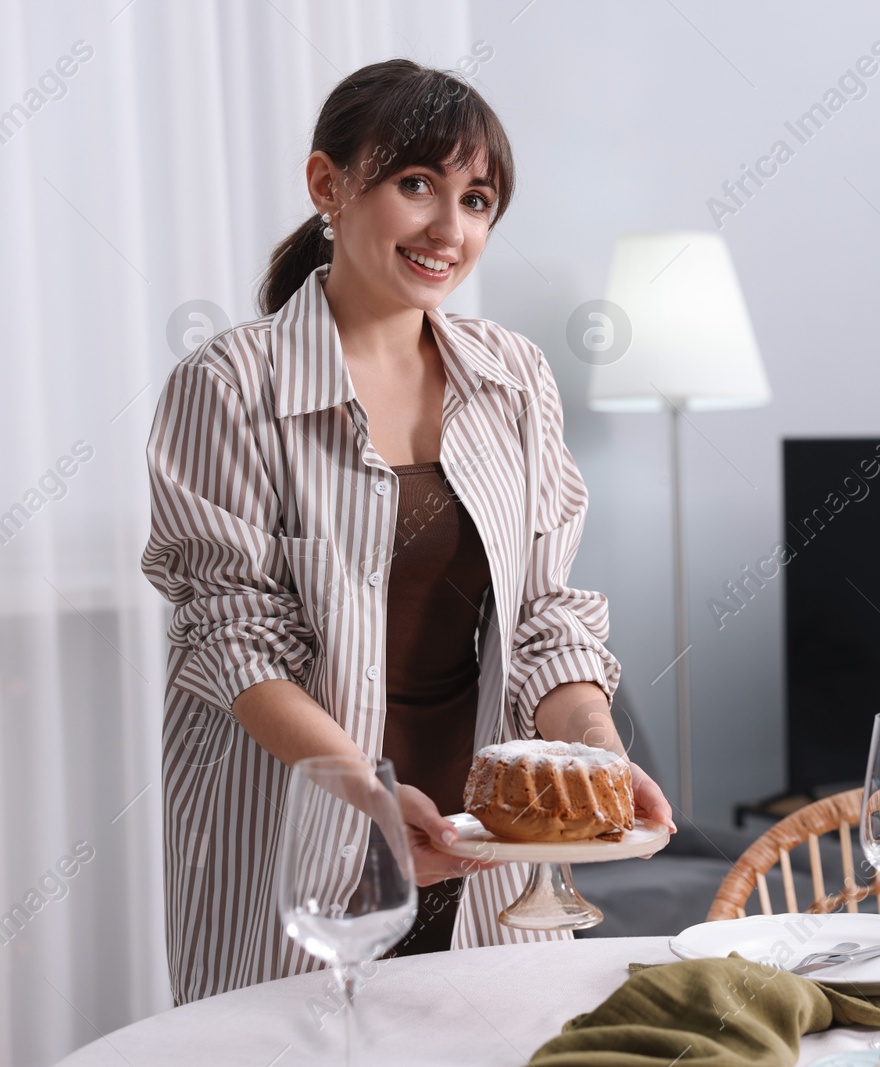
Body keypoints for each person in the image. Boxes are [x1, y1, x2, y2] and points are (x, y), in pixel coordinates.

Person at [140, 57, 674, 1005]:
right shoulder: (230, 386)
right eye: (416, 184)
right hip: (301, 824)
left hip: (483, 842)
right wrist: (370, 799)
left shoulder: (513, 377)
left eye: (476, 199)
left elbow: (547, 611)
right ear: (328, 186)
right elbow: (232, 638)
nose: (448, 229)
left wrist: (597, 755)